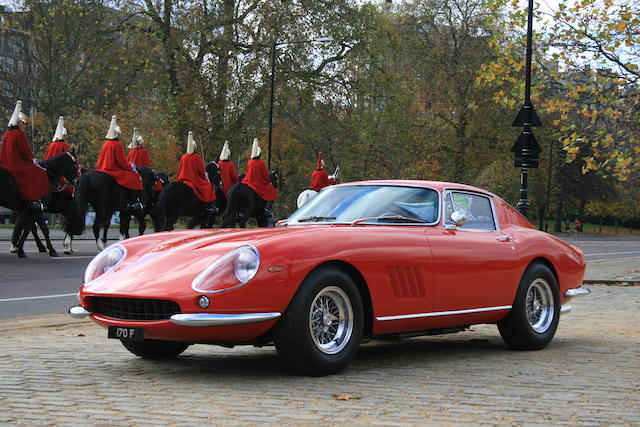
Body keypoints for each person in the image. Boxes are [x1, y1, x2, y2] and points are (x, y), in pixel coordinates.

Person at [0, 100, 50, 209]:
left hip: (5, 164)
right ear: (19, 122)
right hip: (16, 165)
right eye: (23, 123)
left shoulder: (6, 134)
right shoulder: (19, 134)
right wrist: (32, 160)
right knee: (39, 173)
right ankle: (33, 200)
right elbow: (25, 152)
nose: (24, 126)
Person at [95, 115, 144, 213]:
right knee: (134, 177)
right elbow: (121, 162)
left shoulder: (106, 143)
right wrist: (130, 167)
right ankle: (133, 202)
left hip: (102, 170)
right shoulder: (117, 144)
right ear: (117, 134)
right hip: (113, 171)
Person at [176, 131, 216, 212]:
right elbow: (201, 172)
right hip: (193, 181)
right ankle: (209, 206)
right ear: (195, 148)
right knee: (208, 186)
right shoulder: (197, 157)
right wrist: (204, 177)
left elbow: (180, 169)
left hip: (182, 179)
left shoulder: (183, 157)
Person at [242, 138, 277, 216]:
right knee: (271, 190)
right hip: (257, 184)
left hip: (248, 182)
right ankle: (267, 209)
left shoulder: (249, 162)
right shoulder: (261, 163)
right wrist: (268, 181)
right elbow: (265, 176)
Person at [45, 116, 76, 196]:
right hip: (59, 173)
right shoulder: (64, 145)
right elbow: (67, 162)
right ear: (64, 136)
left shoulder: (52, 144)